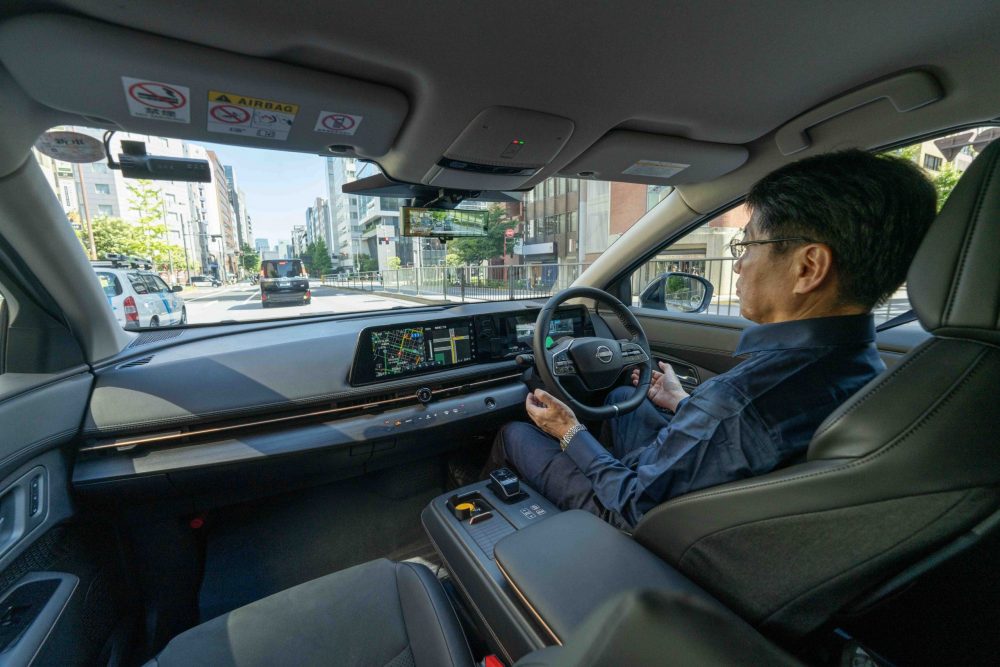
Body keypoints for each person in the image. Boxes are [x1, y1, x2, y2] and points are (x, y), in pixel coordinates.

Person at [487, 149, 937, 529]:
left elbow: (629, 503)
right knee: (626, 392)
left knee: (513, 433)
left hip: (631, 517)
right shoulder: (858, 365)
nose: (738, 266)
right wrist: (684, 403)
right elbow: (741, 444)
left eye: (747, 246)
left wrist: (569, 432)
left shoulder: (740, 400)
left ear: (808, 267)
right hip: (694, 496)